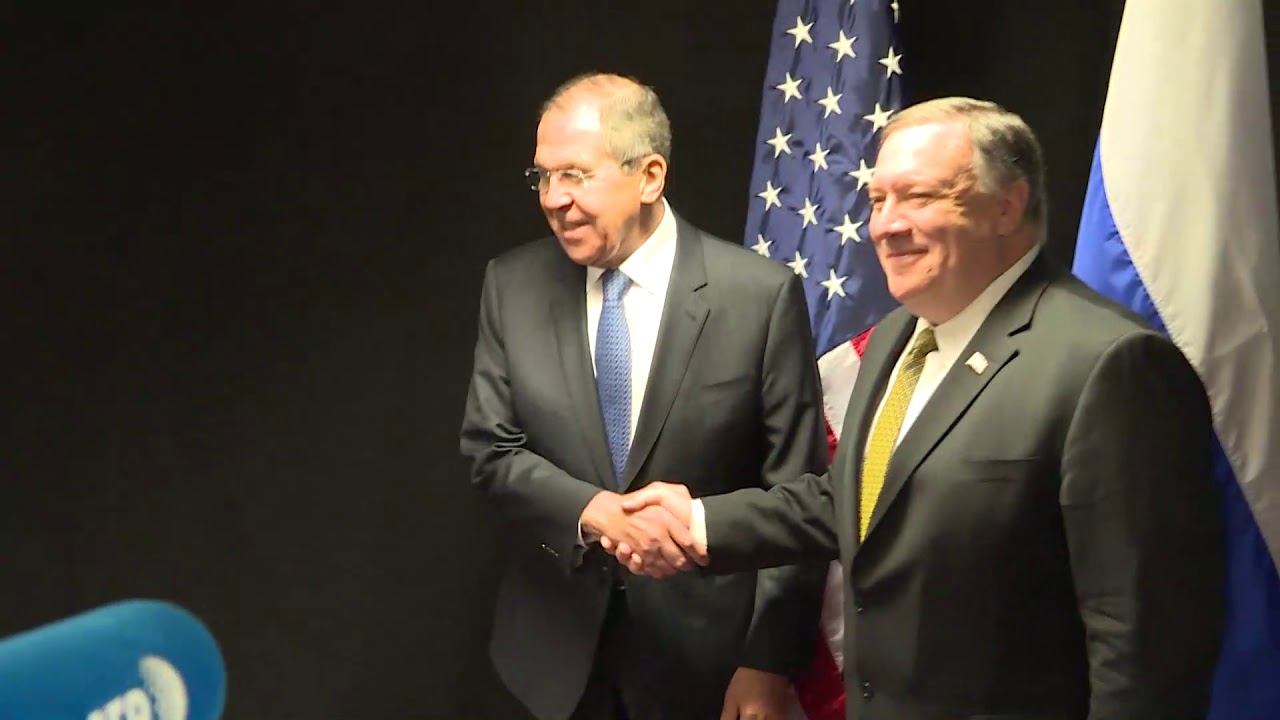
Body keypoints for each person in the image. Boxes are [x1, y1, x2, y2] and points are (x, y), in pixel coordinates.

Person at [610, 97, 1225, 719]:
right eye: (878, 200)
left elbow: (1145, 646)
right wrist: (696, 522)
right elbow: (860, 501)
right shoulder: (897, 340)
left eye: (919, 197)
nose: (886, 225)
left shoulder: (1113, 366)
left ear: (1007, 205)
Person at [459, 72, 830, 720]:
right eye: (542, 177)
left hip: (707, 667)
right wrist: (596, 510)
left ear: (650, 176)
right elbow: (490, 451)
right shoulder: (512, 285)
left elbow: (798, 492)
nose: (554, 199)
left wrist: (768, 662)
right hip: (551, 663)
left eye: (576, 175)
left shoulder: (759, 298)